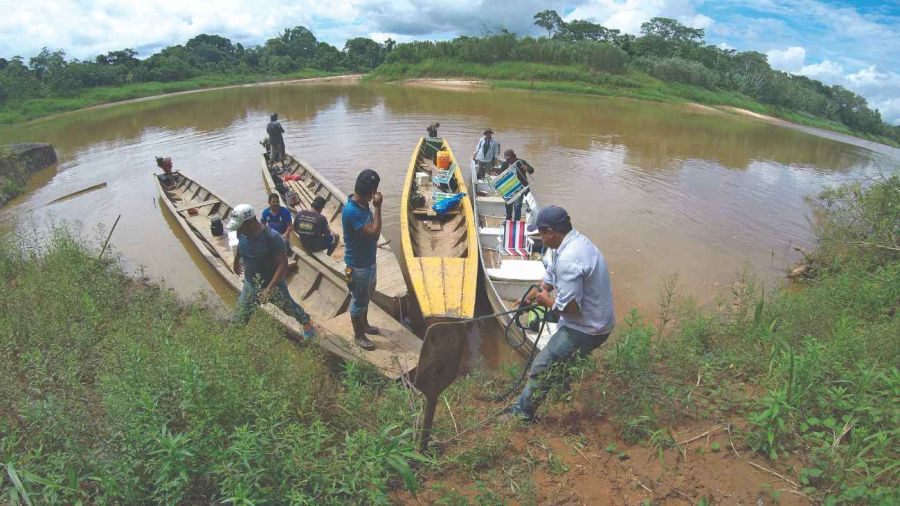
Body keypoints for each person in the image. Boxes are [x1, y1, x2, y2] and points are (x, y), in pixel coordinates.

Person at [502, 206, 615, 423]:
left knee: (542, 365)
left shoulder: (570, 258)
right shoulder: (573, 243)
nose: (541, 240)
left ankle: (521, 414)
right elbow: (552, 273)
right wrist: (537, 291)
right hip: (597, 319)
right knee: (562, 362)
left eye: (541, 234)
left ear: (550, 232)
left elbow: (570, 308)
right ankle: (563, 392)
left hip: (588, 328)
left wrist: (546, 301)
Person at [228, 204, 315, 340]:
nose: (238, 229)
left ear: (250, 222)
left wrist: (269, 288)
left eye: (240, 226)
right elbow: (241, 245)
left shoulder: (272, 237)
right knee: (240, 316)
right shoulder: (242, 232)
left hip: (272, 283)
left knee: (289, 307)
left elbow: (283, 264)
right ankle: (235, 343)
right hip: (251, 282)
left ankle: (307, 322)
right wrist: (236, 260)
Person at [342, 169, 383, 351]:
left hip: (368, 262)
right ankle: (358, 335)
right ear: (372, 190)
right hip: (358, 267)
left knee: (366, 296)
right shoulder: (352, 211)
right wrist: (378, 207)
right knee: (359, 301)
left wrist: (371, 204)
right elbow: (374, 234)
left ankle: (364, 325)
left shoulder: (362, 203)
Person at [497, 149, 535, 221]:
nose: (507, 160)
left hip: (520, 187)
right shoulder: (505, 164)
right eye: (506, 159)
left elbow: (532, 170)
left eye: (509, 159)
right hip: (509, 187)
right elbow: (501, 174)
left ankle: (516, 221)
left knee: (517, 205)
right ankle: (508, 219)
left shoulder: (520, 162)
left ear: (513, 156)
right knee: (508, 204)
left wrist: (527, 168)